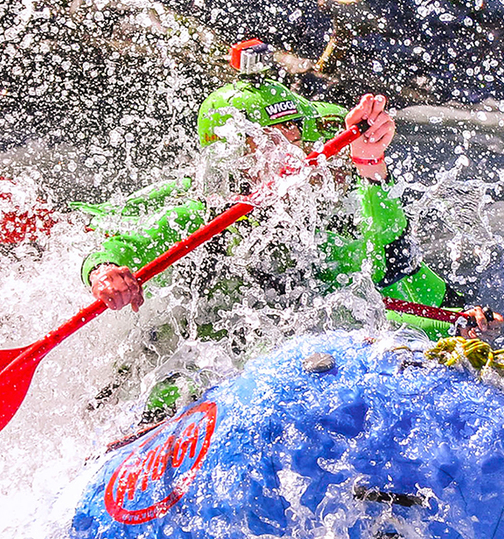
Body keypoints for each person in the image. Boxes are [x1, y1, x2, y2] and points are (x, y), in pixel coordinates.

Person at [79, 39, 483, 414]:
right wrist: (105, 272)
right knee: (169, 373)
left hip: (281, 333)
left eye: (295, 138)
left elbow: (371, 276)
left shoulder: (317, 220)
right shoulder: (203, 210)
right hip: (198, 337)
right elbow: (130, 243)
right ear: (232, 157)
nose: (291, 156)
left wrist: (371, 166)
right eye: (269, 143)